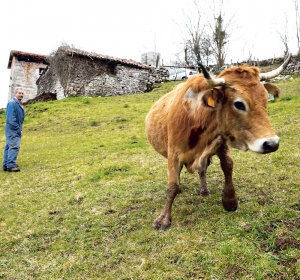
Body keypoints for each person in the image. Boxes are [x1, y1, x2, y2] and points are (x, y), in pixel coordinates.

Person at [2, 87, 25, 172]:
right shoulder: (12, 103)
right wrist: (18, 129)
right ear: (15, 94)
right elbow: (11, 119)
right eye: (19, 93)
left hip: (13, 128)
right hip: (12, 129)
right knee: (14, 146)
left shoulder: (18, 104)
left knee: (9, 146)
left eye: (22, 93)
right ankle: (11, 165)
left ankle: (6, 164)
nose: (21, 95)